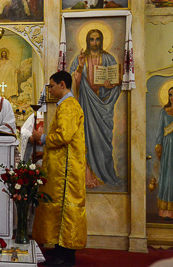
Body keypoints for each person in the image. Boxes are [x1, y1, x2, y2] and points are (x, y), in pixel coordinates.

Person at [32, 71, 86, 266]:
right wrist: (43, 153)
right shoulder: (65, 105)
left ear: (62, 85)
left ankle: (65, 256)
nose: (51, 89)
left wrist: (42, 138)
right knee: (57, 207)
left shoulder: (69, 106)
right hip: (62, 166)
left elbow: (63, 137)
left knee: (65, 208)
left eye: (52, 85)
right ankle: (58, 250)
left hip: (67, 171)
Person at [70, 28, 121, 189]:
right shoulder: (80, 58)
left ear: (102, 40)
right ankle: (87, 177)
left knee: (104, 143)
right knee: (85, 139)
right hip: (85, 105)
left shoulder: (109, 58)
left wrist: (110, 85)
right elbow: (72, 85)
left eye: (97, 39)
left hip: (103, 106)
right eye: (91, 39)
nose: (94, 43)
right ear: (87, 41)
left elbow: (117, 82)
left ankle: (106, 174)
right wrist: (79, 67)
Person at [155, 87, 173, 220]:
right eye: (170, 95)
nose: (172, 97)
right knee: (168, 176)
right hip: (168, 148)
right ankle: (166, 211)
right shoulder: (164, 112)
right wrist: (159, 146)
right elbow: (160, 132)